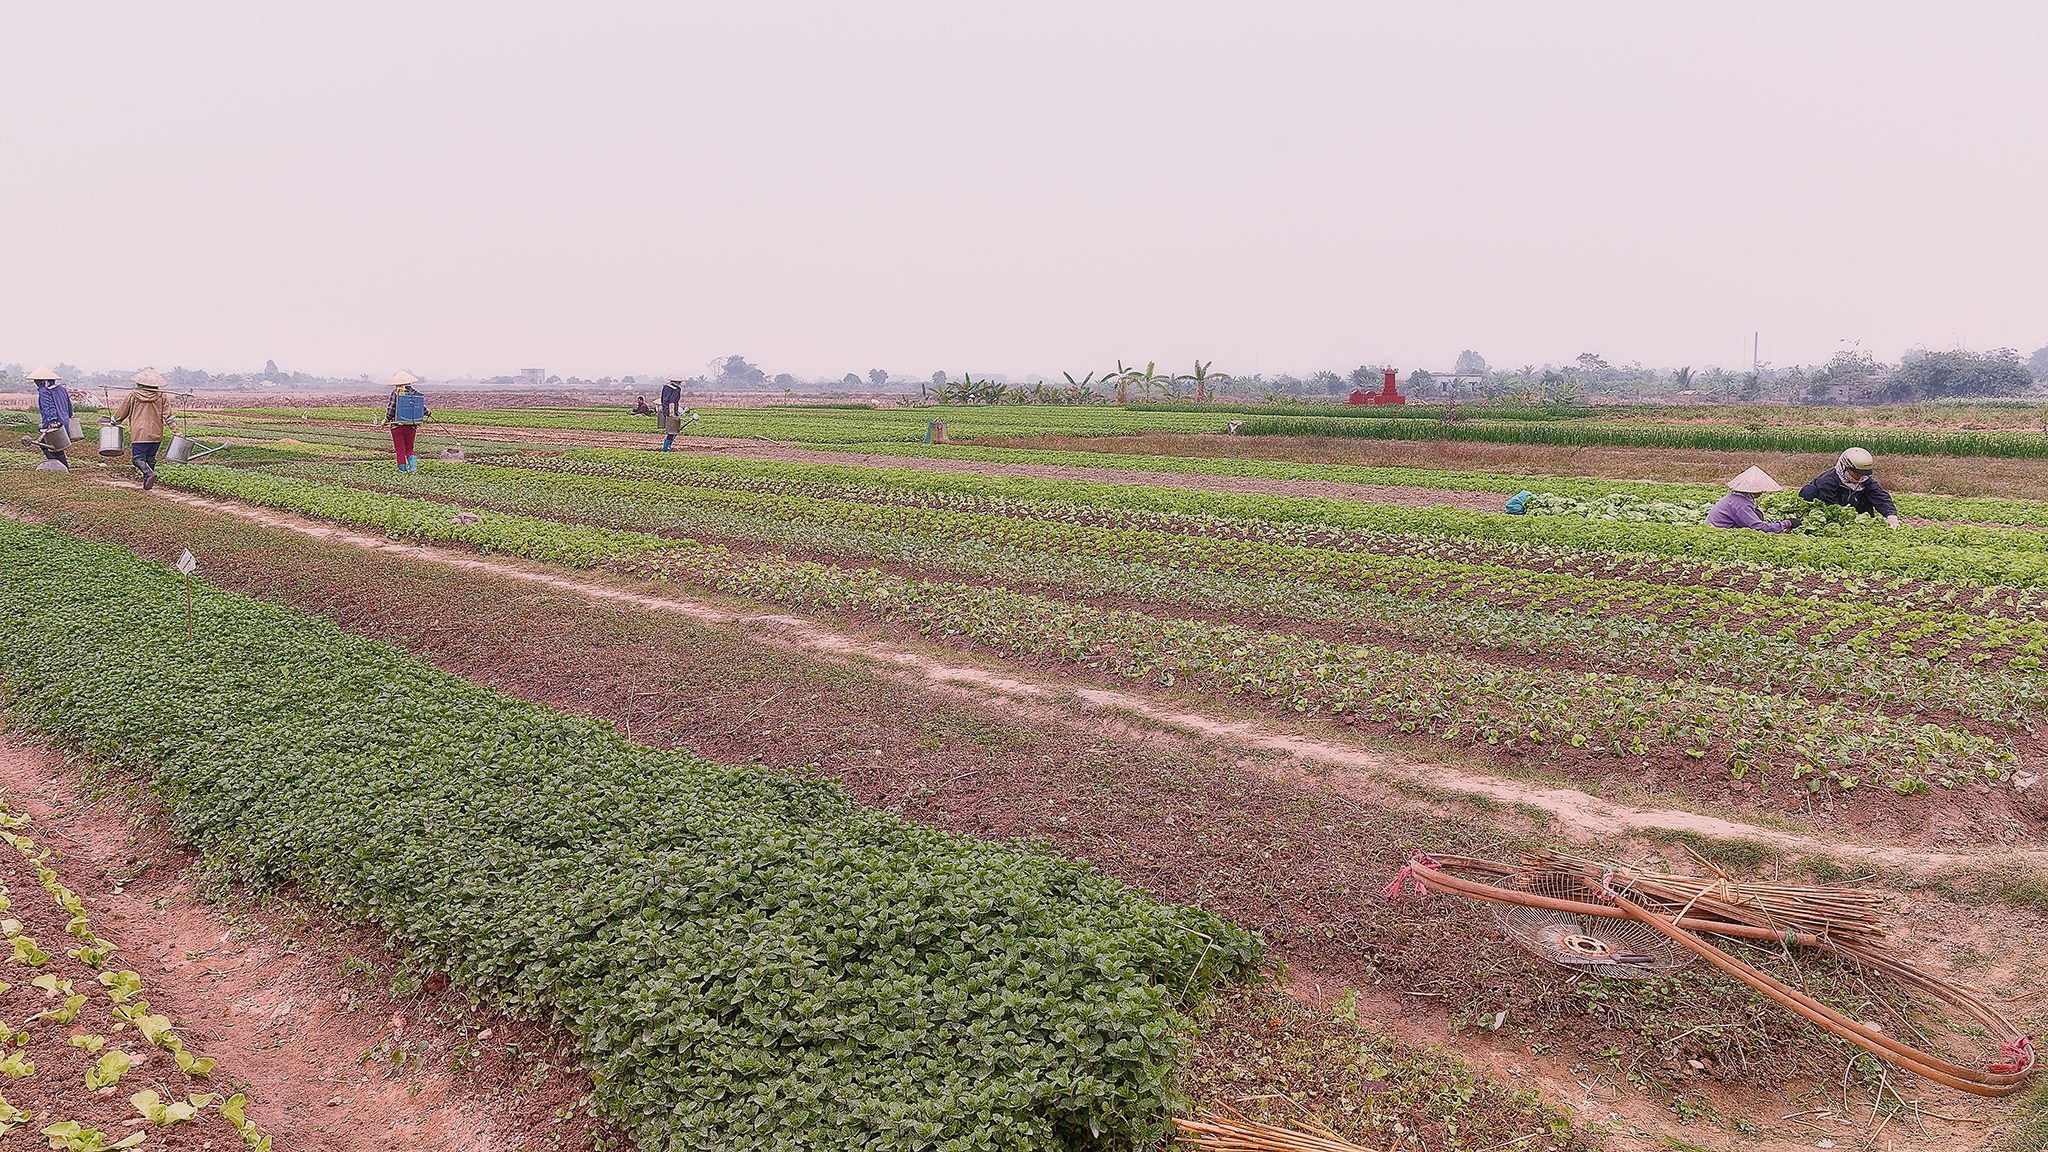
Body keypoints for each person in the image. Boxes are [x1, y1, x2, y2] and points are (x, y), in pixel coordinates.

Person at [1800, 447, 1901, 529]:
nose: (1860, 477)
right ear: (1845, 467)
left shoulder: (1865, 480)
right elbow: (1831, 508)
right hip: (1836, 514)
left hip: (1854, 515)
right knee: (1809, 491)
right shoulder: (1827, 482)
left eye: (1863, 474)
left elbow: (1879, 496)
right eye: (1857, 473)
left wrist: (1891, 515)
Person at [110, 368, 173, 489]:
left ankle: (149, 474)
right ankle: (147, 483)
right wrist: (177, 432)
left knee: (137, 458)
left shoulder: (133, 396)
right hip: (156, 433)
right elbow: (168, 416)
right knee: (150, 458)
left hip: (140, 433)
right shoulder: (162, 397)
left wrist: (114, 422)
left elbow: (122, 412)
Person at [1707, 466, 1798, 532]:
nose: (1762, 492)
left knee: (1757, 514)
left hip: (1717, 528)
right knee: (1756, 521)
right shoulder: (1741, 505)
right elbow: (1759, 527)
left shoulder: (1735, 497)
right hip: (1718, 532)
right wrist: (1787, 523)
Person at [21, 366, 72, 469]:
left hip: (53, 423)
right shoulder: (61, 389)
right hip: (63, 422)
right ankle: (62, 467)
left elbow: (48, 407)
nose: (35, 382)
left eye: (36, 380)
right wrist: (67, 417)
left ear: (42, 381)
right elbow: (69, 406)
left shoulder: (44, 391)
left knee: (49, 446)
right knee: (55, 446)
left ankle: (60, 467)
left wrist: (52, 421)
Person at [382, 371, 429, 471]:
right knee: (409, 449)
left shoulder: (395, 393)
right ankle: (413, 469)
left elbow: (391, 409)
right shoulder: (415, 394)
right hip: (411, 426)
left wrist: (385, 420)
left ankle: (403, 471)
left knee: (400, 451)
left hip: (397, 427)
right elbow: (421, 407)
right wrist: (428, 412)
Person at [658, 373, 685, 450]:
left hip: (665, 410)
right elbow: (674, 401)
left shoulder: (665, 387)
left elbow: (663, 399)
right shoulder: (676, 389)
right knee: (673, 431)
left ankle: (667, 447)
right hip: (672, 411)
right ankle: (667, 448)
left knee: (671, 430)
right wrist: (673, 411)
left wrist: (664, 409)